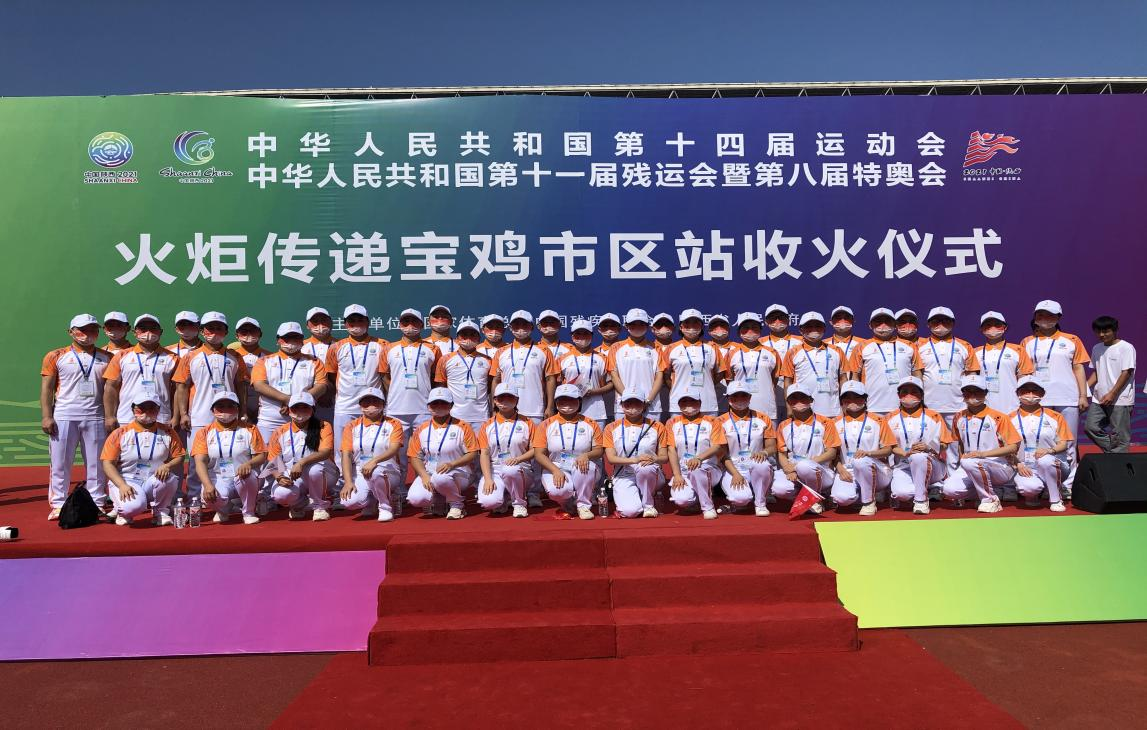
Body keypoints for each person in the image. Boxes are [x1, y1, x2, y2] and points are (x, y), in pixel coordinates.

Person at [41, 314, 113, 520]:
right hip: (64, 415)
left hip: (96, 416)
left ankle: (97, 502)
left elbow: (112, 390)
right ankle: (58, 503)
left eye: (92, 329)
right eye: (82, 330)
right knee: (60, 462)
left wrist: (110, 416)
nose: (87, 334)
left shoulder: (108, 357)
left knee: (97, 464)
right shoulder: (55, 355)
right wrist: (47, 416)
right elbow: (47, 388)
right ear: (71, 332)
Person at [250, 322, 329, 509]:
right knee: (269, 458)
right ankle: (269, 495)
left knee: (306, 455)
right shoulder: (264, 361)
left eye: (295, 338)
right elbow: (259, 385)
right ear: (278, 340)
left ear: (302, 340)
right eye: (286, 338)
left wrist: (297, 404)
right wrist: (287, 400)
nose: (291, 341)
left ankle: (309, 494)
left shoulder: (314, 361)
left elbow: (322, 386)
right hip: (271, 417)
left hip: (304, 417)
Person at [172, 311, 249, 500]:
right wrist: (184, 413)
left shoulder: (235, 357)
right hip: (200, 415)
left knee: (229, 455)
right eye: (210, 328)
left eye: (219, 328)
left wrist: (243, 412)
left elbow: (241, 386)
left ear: (226, 332)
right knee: (197, 460)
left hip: (229, 415)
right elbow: (181, 386)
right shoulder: (191, 357)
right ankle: (194, 498)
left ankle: (231, 496)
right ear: (202, 331)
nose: (214, 332)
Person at [1021, 300, 1091, 492]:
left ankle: (1068, 483)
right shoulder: (1027, 342)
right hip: (1038, 399)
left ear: (1059, 317)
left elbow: (1078, 368)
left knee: (1069, 442)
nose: (1044, 318)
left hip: (1067, 397)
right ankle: (1042, 481)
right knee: (1041, 440)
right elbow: (1024, 371)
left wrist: (1083, 395)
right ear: (1035, 317)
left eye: (1050, 315)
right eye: (1040, 315)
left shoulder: (1072, 339)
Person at [326, 303, 387, 479]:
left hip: (373, 406)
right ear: (345, 324)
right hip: (345, 406)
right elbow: (331, 376)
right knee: (342, 448)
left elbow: (386, 376)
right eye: (351, 321)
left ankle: (376, 482)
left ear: (368, 322)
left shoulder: (383, 345)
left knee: (376, 445)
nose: (356, 324)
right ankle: (342, 482)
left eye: (360, 320)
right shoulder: (336, 347)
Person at [100, 398, 184, 526]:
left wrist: (168, 465)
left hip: (152, 479)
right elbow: (107, 463)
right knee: (133, 507)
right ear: (133, 409)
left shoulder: (168, 432)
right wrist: (122, 485)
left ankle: (161, 512)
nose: (147, 412)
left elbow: (179, 456)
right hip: (127, 480)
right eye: (142, 408)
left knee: (170, 478)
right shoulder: (120, 433)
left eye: (151, 408)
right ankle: (121, 511)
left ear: (158, 410)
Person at [945, 375, 1021, 513]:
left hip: (998, 466)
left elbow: (1013, 447)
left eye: (977, 391)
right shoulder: (958, 416)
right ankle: (987, 491)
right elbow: (960, 443)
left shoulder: (999, 417)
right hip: (970, 464)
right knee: (949, 490)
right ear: (963, 394)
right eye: (968, 391)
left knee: (971, 462)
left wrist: (982, 454)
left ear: (985, 393)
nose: (973, 395)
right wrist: (962, 460)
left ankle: (990, 499)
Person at [191, 391, 267, 525]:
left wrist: (249, 464)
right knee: (208, 497)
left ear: (238, 409)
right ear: (213, 410)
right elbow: (200, 462)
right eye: (220, 406)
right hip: (218, 477)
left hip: (243, 475)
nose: (225, 410)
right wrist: (207, 485)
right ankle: (224, 509)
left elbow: (262, 455)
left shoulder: (250, 429)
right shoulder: (203, 433)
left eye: (230, 406)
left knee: (249, 476)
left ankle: (249, 512)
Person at [917, 306, 980, 466]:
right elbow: (916, 375)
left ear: (953, 323)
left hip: (957, 404)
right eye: (936, 321)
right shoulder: (919, 346)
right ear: (928, 324)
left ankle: (955, 474)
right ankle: (933, 475)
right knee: (929, 443)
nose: (940, 324)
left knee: (956, 444)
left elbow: (972, 375)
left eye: (945, 321)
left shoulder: (965, 345)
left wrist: (970, 401)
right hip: (929, 405)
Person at [532, 384, 604, 520]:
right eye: (562, 400)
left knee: (586, 467)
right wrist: (555, 470)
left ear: (579, 402)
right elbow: (539, 454)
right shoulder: (546, 424)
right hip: (557, 466)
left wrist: (586, 455)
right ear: (556, 403)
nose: (567, 404)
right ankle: (567, 502)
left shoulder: (590, 423)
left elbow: (599, 450)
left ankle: (583, 505)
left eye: (572, 400)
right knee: (557, 491)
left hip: (581, 465)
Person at [406, 388, 480, 520]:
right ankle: (439, 499)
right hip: (430, 473)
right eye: (435, 403)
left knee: (441, 478)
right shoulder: (421, 429)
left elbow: (472, 453)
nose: (439, 406)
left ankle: (457, 504)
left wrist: (452, 464)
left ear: (451, 405)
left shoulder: (463, 426)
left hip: (459, 472)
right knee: (416, 499)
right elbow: (414, 456)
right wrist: (423, 475)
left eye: (443, 403)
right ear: (428, 406)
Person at [887, 377, 954, 515]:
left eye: (914, 392)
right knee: (902, 494)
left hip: (932, 463)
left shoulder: (934, 416)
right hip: (903, 466)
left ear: (922, 395)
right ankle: (931, 487)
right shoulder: (890, 418)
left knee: (918, 457)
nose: (909, 395)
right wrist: (906, 453)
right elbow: (888, 446)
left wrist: (929, 447)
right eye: (905, 392)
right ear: (898, 395)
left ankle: (921, 500)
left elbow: (945, 444)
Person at [338, 388, 404, 522]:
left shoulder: (394, 423)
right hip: (360, 471)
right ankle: (373, 500)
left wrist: (375, 461)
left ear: (383, 404)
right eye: (366, 402)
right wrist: (348, 482)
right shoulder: (351, 426)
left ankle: (385, 507)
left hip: (387, 469)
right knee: (349, 502)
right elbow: (346, 455)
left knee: (376, 472)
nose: (371, 405)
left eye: (375, 401)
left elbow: (394, 449)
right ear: (360, 405)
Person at [267, 392, 336, 521]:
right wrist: (279, 477)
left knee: (315, 469)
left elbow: (325, 452)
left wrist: (301, 463)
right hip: (293, 473)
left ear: (313, 409)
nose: (300, 411)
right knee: (280, 494)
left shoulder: (323, 426)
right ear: (289, 410)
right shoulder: (279, 431)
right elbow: (273, 459)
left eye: (305, 407)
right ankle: (299, 503)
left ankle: (319, 506)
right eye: (296, 407)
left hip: (324, 472)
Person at [102, 314, 178, 429]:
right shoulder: (121, 356)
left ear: (160, 332)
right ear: (134, 332)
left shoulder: (173, 358)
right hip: (127, 417)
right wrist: (109, 416)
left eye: (153, 328)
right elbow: (111, 387)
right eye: (143, 329)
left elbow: (178, 390)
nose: (148, 332)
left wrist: (176, 416)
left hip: (161, 418)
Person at [772, 385, 840, 513]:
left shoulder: (826, 422)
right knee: (778, 489)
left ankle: (815, 500)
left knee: (806, 466)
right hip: (793, 472)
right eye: (794, 398)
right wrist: (787, 469)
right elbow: (782, 453)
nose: (798, 401)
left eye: (803, 398)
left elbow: (832, 453)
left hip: (821, 471)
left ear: (811, 400)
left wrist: (800, 466)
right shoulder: (783, 425)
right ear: (788, 402)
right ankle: (804, 498)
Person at [830, 382, 895, 516]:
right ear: (842, 401)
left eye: (857, 397)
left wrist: (869, 453)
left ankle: (868, 501)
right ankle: (862, 493)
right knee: (842, 499)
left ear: (865, 399)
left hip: (876, 469)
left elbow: (888, 449)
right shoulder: (834, 423)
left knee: (861, 461)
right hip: (847, 470)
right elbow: (833, 453)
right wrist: (841, 469)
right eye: (848, 398)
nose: (852, 401)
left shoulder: (878, 420)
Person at [603, 389, 669, 518]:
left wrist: (654, 459)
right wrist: (635, 460)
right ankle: (637, 494)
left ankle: (648, 504)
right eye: (628, 403)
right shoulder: (611, 427)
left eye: (637, 403)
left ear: (644, 405)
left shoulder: (657, 426)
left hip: (649, 470)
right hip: (623, 474)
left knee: (646, 469)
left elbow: (664, 457)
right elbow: (611, 459)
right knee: (630, 512)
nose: (632, 407)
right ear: (621, 405)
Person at [1009, 377, 1071, 511]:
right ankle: (1033, 495)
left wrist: (1049, 451)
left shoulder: (1055, 416)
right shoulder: (1009, 419)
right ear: (1017, 393)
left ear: (1042, 393)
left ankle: (1055, 499)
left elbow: (1063, 444)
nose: (1030, 395)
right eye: (1025, 391)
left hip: (1054, 463)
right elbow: (1007, 448)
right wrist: (1018, 464)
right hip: (1025, 467)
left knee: (1045, 460)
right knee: (1029, 488)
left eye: (1035, 391)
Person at [664, 390, 727, 518]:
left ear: (699, 403)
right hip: (683, 470)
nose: (688, 405)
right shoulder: (671, 423)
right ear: (679, 404)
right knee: (682, 500)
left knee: (697, 471)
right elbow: (671, 450)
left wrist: (699, 458)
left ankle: (708, 507)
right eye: (684, 402)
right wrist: (677, 475)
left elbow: (717, 446)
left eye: (692, 401)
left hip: (708, 467)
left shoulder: (712, 421)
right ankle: (697, 497)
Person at [717, 381, 777, 516]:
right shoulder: (720, 421)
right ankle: (738, 502)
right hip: (733, 468)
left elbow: (772, 446)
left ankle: (761, 504)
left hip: (756, 464)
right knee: (741, 499)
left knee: (762, 465)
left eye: (743, 395)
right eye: (735, 396)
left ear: (750, 397)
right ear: (728, 398)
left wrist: (764, 452)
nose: (739, 399)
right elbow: (722, 454)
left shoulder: (763, 418)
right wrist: (735, 473)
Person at [475, 384, 536, 517]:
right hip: (496, 469)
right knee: (488, 502)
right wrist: (488, 479)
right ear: (495, 400)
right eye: (501, 398)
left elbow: (535, 450)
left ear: (517, 400)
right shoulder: (487, 425)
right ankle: (505, 496)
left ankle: (519, 503)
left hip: (520, 468)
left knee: (511, 470)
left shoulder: (527, 422)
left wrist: (518, 459)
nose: (505, 401)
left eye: (510, 397)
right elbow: (484, 453)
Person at [849, 308, 923, 417]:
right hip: (872, 406)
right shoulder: (861, 347)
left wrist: (918, 399)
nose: (883, 325)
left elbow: (917, 374)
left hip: (904, 406)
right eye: (878, 321)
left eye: (887, 321)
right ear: (870, 325)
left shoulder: (909, 345)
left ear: (895, 324)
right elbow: (855, 377)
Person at [777, 312, 850, 418]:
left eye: (817, 326)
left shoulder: (837, 351)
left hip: (833, 411)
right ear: (801, 330)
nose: (814, 329)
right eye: (809, 326)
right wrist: (789, 408)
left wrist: (845, 405)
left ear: (824, 329)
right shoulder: (793, 352)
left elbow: (843, 379)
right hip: (803, 410)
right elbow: (787, 382)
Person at [491, 310, 558, 424]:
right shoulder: (501, 352)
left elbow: (550, 379)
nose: (520, 328)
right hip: (506, 410)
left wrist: (550, 407)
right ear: (510, 327)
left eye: (524, 324)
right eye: (516, 324)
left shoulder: (544, 350)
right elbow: (496, 380)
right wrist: (494, 407)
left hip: (535, 410)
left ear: (532, 327)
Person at [1085, 315, 1136, 453]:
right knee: (1091, 427)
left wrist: (1112, 393)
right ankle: (1115, 451)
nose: (1101, 335)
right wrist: (1084, 389)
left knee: (1120, 434)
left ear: (1115, 330)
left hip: (1120, 399)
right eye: (1098, 332)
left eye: (1106, 331)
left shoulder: (1126, 347)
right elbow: (1097, 372)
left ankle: (1118, 460)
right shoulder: (1096, 348)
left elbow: (1127, 372)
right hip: (1099, 398)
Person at [661, 309, 724, 418]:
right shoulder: (671, 348)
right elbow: (665, 375)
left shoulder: (712, 347)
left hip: (707, 403)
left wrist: (707, 383)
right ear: (681, 327)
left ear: (701, 326)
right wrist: (677, 387)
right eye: (687, 323)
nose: (691, 326)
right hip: (679, 404)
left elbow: (720, 373)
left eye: (695, 323)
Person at [433, 318, 493, 435]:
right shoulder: (445, 359)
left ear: (479, 338)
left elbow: (490, 387)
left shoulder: (487, 360)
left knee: (480, 447)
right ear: (457, 339)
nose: (468, 338)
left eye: (472, 335)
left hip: (481, 416)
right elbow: (441, 387)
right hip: (454, 416)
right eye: (464, 334)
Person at [608, 311, 664, 423]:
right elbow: (614, 376)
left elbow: (659, 376)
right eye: (633, 324)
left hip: (651, 406)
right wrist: (627, 399)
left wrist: (648, 400)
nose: (637, 327)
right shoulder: (616, 347)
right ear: (626, 326)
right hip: (624, 406)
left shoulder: (656, 348)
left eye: (641, 324)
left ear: (647, 326)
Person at [723, 313, 780, 422]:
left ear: (760, 330)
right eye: (746, 328)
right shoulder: (731, 354)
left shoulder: (772, 352)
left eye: (754, 327)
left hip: (767, 407)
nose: (750, 331)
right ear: (739, 332)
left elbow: (774, 379)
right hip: (740, 408)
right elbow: (730, 380)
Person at [557, 319, 612, 431]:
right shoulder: (563, 358)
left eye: (585, 333)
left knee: (597, 440)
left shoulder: (602, 358)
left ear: (591, 336)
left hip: (596, 409)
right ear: (572, 336)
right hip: (569, 409)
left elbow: (610, 384)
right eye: (578, 333)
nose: (582, 337)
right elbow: (557, 384)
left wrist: (593, 392)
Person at [978, 311, 1035, 415]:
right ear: (981, 329)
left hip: (1012, 406)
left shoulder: (1018, 350)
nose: (993, 328)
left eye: (997, 325)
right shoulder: (974, 352)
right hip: (983, 407)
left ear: (1005, 327)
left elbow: (1025, 380)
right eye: (988, 325)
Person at [231, 317, 270, 424]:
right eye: (244, 331)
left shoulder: (270, 356)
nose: (248, 334)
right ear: (236, 335)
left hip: (264, 407)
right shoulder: (230, 357)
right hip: (237, 406)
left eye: (252, 331)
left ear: (260, 334)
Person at [763, 303, 799, 420]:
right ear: (766, 321)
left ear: (788, 320)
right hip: (769, 397)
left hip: (796, 396)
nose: (777, 321)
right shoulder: (759, 343)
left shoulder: (801, 341)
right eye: (773, 318)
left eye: (781, 317)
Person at [303, 306, 337, 423]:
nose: (320, 325)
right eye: (315, 321)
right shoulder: (301, 346)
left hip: (335, 401)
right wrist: (318, 394)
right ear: (307, 325)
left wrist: (329, 393)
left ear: (331, 322)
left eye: (324, 320)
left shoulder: (341, 345)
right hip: (307, 402)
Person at [651, 312, 676, 416]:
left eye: (667, 325)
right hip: (653, 401)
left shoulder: (680, 348)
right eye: (659, 325)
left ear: (673, 328)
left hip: (678, 400)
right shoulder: (648, 348)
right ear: (652, 329)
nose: (663, 328)